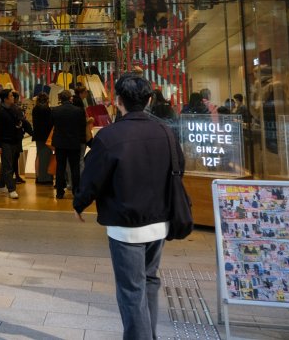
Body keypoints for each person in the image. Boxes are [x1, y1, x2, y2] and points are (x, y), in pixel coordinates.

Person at [74, 72, 184, 340]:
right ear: (148, 100)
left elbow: (92, 177)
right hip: (159, 222)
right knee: (149, 280)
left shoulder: (109, 136)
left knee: (131, 288)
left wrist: (80, 203)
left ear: (117, 101)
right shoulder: (165, 132)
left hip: (125, 226)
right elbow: (179, 167)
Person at [50, 90, 87, 199]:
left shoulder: (55, 110)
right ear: (70, 98)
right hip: (74, 142)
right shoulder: (78, 111)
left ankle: (60, 192)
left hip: (60, 142)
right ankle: (76, 190)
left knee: (60, 167)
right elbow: (82, 126)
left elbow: (52, 125)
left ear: (61, 98)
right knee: (75, 167)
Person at [0, 88, 19, 199]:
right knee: (9, 166)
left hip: (14, 141)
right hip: (5, 142)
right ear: (5, 99)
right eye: (11, 95)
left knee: (6, 164)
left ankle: (0, 185)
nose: (13, 97)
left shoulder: (13, 109)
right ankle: (11, 189)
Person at [31, 92, 53, 184]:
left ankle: (38, 176)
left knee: (39, 155)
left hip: (38, 135)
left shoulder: (35, 109)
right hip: (46, 136)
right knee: (46, 156)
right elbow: (50, 123)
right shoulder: (47, 110)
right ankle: (45, 178)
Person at [12, 91, 33, 184]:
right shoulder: (16, 109)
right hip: (16, 136)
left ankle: (14, 176)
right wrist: (32, 133)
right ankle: (14, 176)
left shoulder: (7, 109)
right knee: (14, 157)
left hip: (12, 137)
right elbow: (24, 122)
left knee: (12, 158)